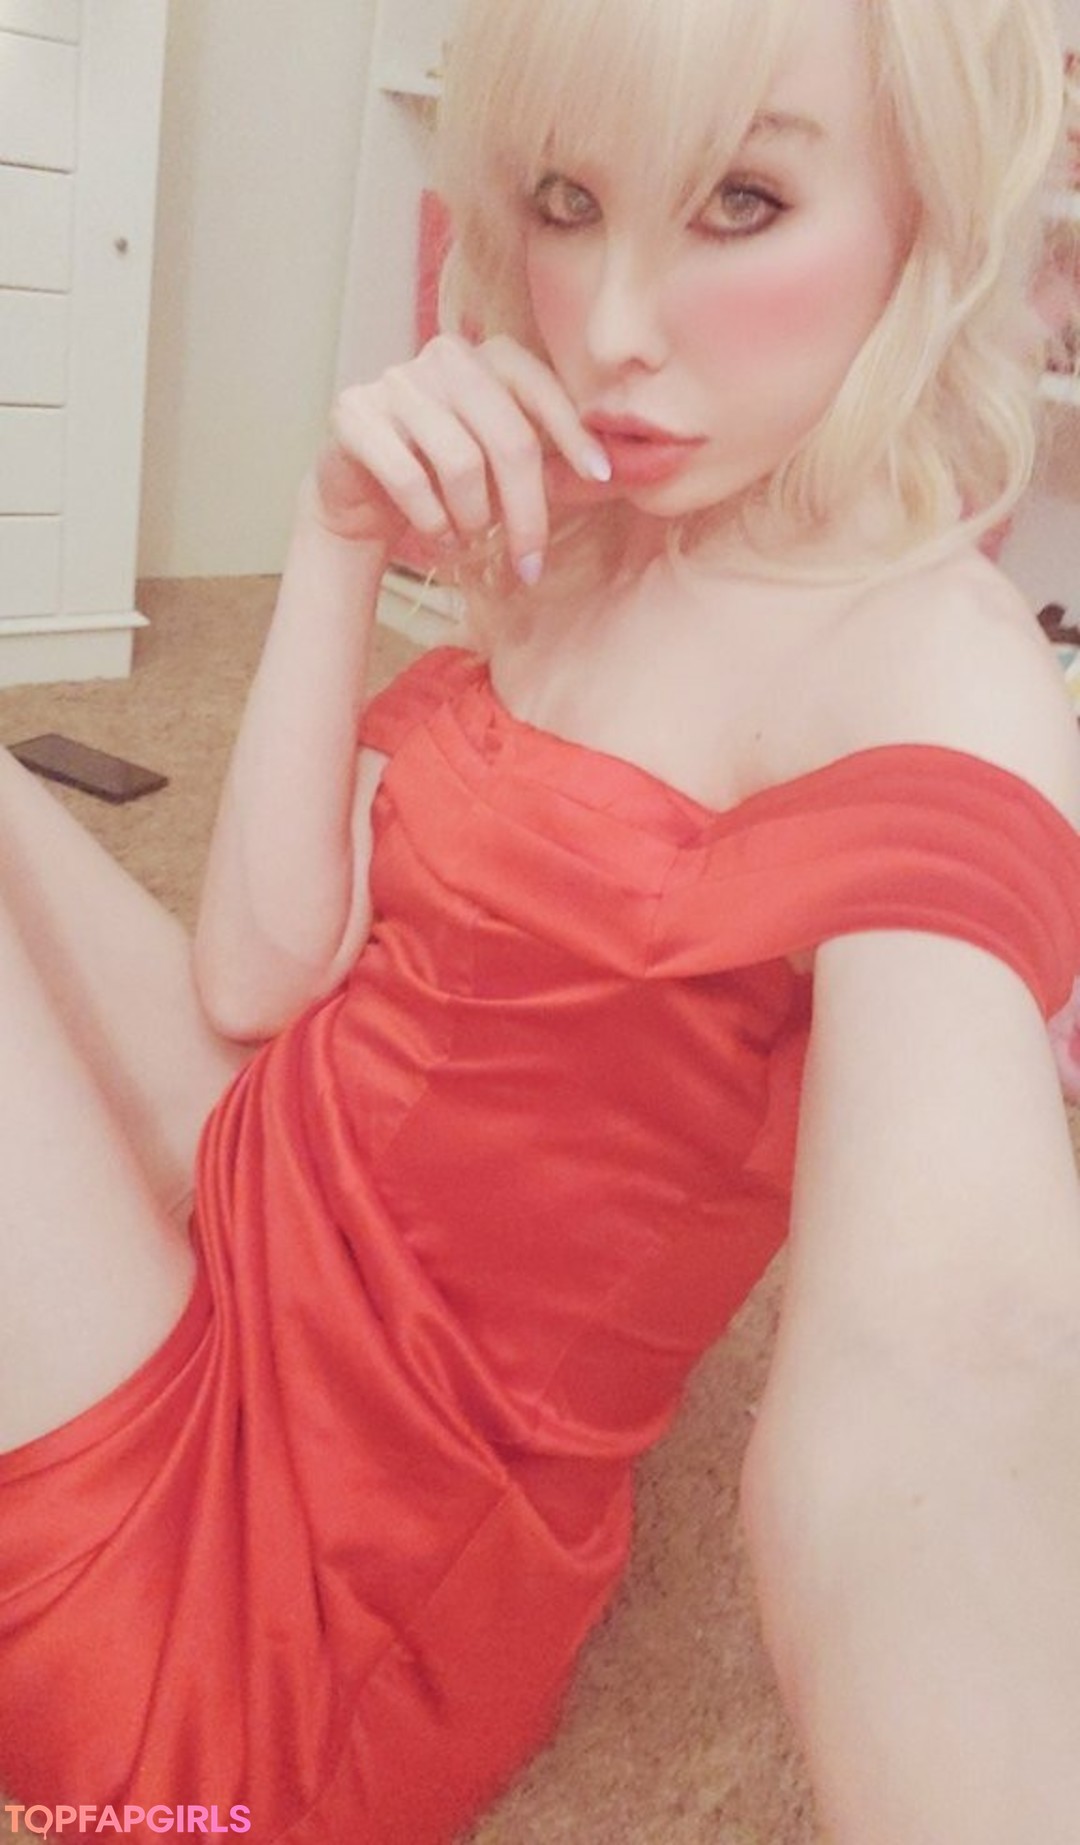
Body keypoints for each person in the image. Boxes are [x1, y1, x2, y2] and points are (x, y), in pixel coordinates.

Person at [3, 0, 1080, 1840]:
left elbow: (948, 1370)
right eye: (571, 200)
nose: (613, 325)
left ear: (930, 204)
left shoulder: (934, 673)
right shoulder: (613, 527)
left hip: (285, 1606)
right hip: (258, 1201)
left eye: (742, 200)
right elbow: (256, 974)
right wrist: (337, 532)